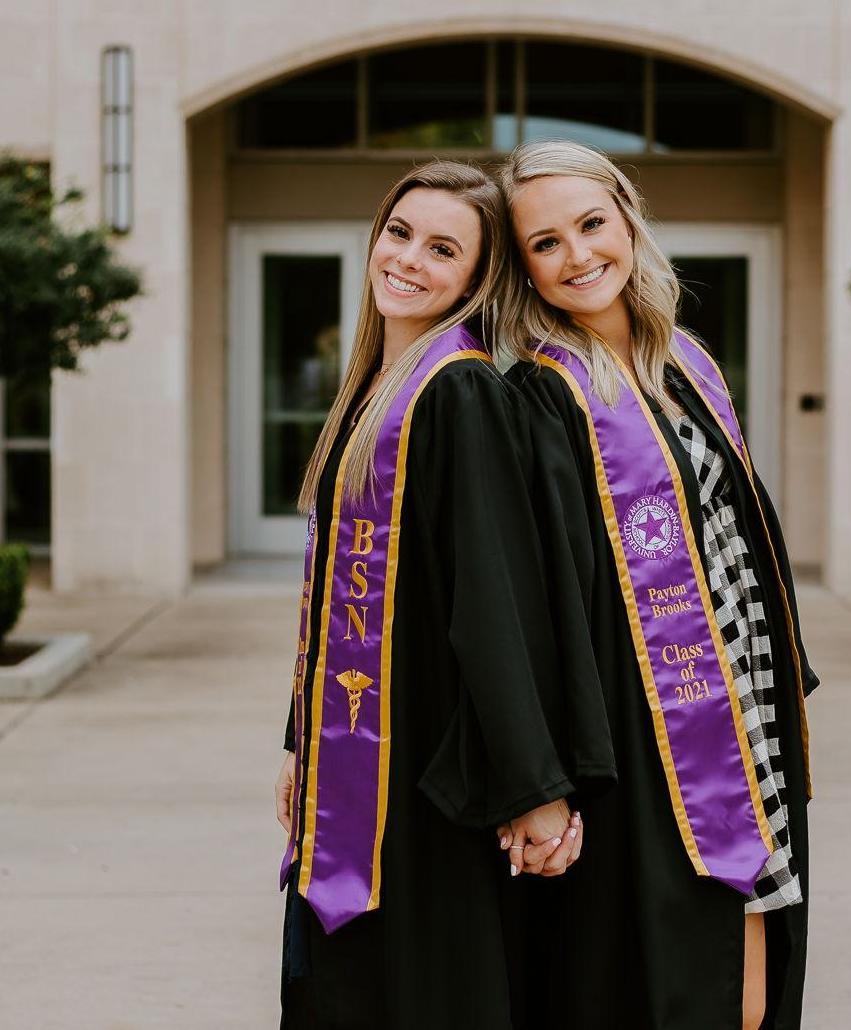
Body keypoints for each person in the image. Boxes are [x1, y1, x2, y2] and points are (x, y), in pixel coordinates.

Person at [273, 160, 614, 1030]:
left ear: (476, 277)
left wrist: (534, 788)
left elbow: (493, 604)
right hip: (357, 763)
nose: (407, 259)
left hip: (419, 779)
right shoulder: (371, 392)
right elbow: (335, 602)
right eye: (399, 233)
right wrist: (300, 742)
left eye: (442, 249)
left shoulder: (459, 394)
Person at [497, 140, 820, 1030]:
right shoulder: (540, 393)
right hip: (647, 730)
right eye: (545, 243)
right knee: (689, 983)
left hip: (742, 701)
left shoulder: (684, 361)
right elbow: (542, 595)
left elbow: (740, 532)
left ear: (628, 220)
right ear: (522, 267)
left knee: (749, 986)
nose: (577, 255)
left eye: (591, 224)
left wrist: (785, 685)